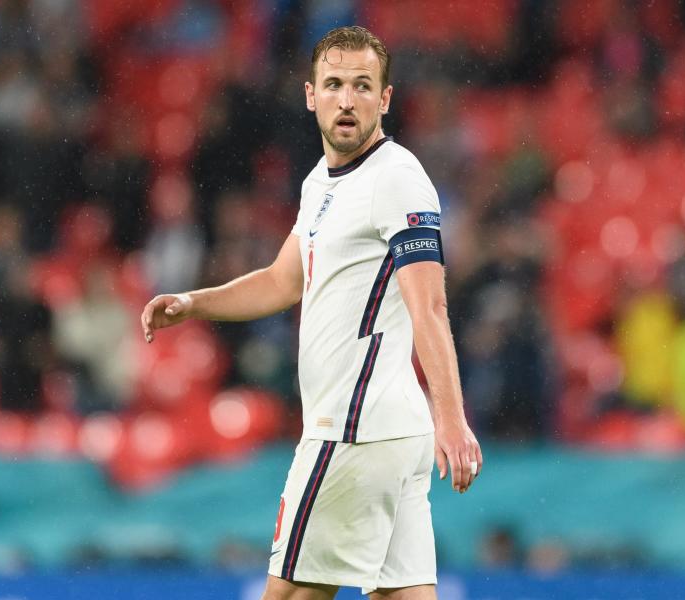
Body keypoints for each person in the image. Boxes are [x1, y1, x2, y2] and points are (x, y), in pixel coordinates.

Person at [140, 26, 482, 600]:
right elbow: (282, 279)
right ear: (310, 94)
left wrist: (452, 416)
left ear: (386, 98)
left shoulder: (396, 178)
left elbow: (430, 304)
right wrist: (195, 305)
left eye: (362, 86)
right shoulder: (319, 183)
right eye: (334, 85)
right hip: (389, 435)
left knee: (292, 594)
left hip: (351, 432)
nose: (346, 100)